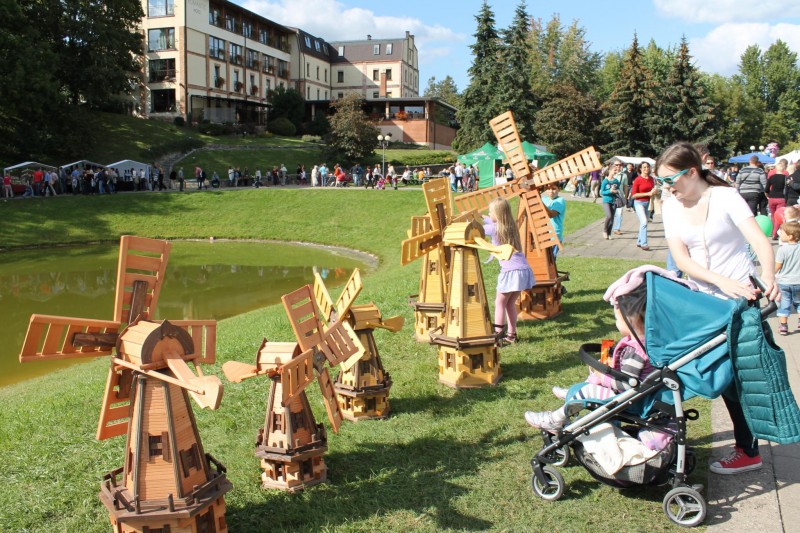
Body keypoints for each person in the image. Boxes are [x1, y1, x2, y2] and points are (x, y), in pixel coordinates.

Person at [658, 141, 778, 475]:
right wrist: (718, 281)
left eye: (670, 180)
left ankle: (748, 450)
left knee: (740, 377)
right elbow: (682, 259)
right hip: (703, 301)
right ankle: (661, 434)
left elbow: (759, 240)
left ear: (692, 172)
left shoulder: (725, 197)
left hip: (741, 300)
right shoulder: (670, 207)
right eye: (661, 182)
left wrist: (768, 275)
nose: (666, 188)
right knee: (695, 370)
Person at [524, 278, 650, 431]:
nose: (616, 323)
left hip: (631, 401)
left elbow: (628, 383)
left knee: (588, 391)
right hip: (633, 395)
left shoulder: (637, 351)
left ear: (632, 321)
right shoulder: (642, 342)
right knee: (601, 365)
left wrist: (603, 375)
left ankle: (554, 420)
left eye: (617, 319)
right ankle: (575, 392)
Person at [483, 198, 535, 345]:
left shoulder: (493, 229)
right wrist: (483, 217)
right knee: (510, 303)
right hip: (523, 269)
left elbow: (479, 229)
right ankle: (511, 335)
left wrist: (470, 222)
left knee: (499, 303)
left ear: (498, 214)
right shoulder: (510, 225)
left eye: (490, 212)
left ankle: (498, 336)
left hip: (511, 271)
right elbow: (491, 221)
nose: (489, 213)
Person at [775, 221, 800, 336]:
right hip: (799, 281)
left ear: (790, 236)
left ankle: (783, 326)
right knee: (799, 303)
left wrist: (771, 274)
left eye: (782, 232)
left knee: (785, 303)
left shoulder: (782, 250)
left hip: (785, 282)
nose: (779, 233)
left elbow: (778, 266)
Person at [630, 162, 657, 251]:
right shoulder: (637, 180)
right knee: (644, 222)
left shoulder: (652, 179)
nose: (646, 169)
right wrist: (647, 193)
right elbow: (634, 195)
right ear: (640, 169)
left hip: (649, 203)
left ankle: (639, 241)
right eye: (644, 167)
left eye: (648, 167)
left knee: (644, 223)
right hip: (639, 203)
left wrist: (655, 191)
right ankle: (644, 244)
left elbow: (653, 189)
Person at [766, 159, 788, 239]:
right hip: (781, 198)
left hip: (772, 198)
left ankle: (773, 231)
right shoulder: (785, 178)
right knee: (779, 216)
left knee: (773, 215)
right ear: (784, 169)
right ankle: (775, 233)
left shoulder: (771, 177)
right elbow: (787, 189)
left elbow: (766, 189)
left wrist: (767, 196)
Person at [542, 183, 566, 258]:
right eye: (548, 189)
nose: (551, 191)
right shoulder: (544, 199)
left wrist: (540, 203)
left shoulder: (560, 201)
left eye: (553, 189)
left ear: (559, 189)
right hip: (544, 235)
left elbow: (551, 214)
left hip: (554, 235)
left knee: (551, 260)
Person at [600, 162, 622, 239]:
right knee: (609, 216)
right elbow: (602, 192)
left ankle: (609, 234)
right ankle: (605, 231)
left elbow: (618, 190)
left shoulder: (616, 181)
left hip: (614, 201)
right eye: (614, 170)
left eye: (616, 170)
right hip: (606, 201)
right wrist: (610, 191)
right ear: (609, 171)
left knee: (612, 218)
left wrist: (616, 191)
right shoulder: (605, 181)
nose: (615, 172)